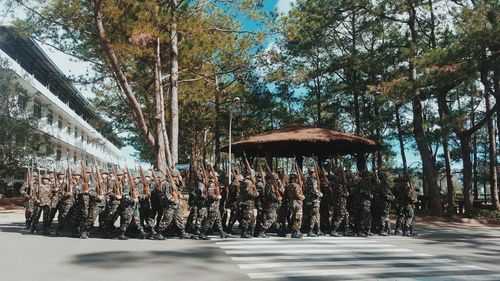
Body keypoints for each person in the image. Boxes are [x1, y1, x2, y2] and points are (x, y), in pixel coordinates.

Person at [154, 169, 188, 240]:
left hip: (176, 205)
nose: (177, 178)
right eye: (176, 176)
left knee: (179, 218)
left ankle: (182, 232)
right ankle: (159, 233)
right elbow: (167, 195)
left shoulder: (174, 183)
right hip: (169, 205)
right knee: (167, 219)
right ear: (173, 176)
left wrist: (181, 181)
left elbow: (181, 189)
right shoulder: (166, 183)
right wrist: (175, 201)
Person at [198, 173, 229, 240]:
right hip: (213, 205)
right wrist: (216, 197)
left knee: (218, 219)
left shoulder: (215, 184)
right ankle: (202, 233)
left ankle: (221, 232)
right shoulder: (212, 184)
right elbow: (210, 194)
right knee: (210, 220)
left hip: (216, 205)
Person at [258, 172, 282, 238]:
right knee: (270, 219)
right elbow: (270, 195)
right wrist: (277, 198)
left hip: (271, 204)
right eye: (276, 179)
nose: (277, 181)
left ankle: (280, 231)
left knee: (275, 219)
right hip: (271, 205)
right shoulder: (271, 186)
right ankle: (262, 231)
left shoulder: (270, 185)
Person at [238, 169, 259, 238]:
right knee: (247, 217)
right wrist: (255, 194)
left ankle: (251, 232)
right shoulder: (248, 182)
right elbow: (248, 192)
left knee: (252, 218)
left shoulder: (245, 181)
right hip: (247, 202)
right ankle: (244, 233)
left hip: (248, 202)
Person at [287, 172, 305, 238]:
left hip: (291, 202)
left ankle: (294, 231)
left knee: (293, 217)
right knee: (297, 217)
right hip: (297, 202)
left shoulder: (288, 185)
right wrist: (302, 196)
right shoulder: (296, 186)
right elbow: (297, 195)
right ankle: (296, 231)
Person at [305, 168, 323, 237]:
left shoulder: (307, 180)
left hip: (310, 200)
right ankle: (310, 231)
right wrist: (320, 193)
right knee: (314, 215)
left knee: (317, 215)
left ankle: (318, 230)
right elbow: (315, 190)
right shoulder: (313, 181)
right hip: (314, 200)